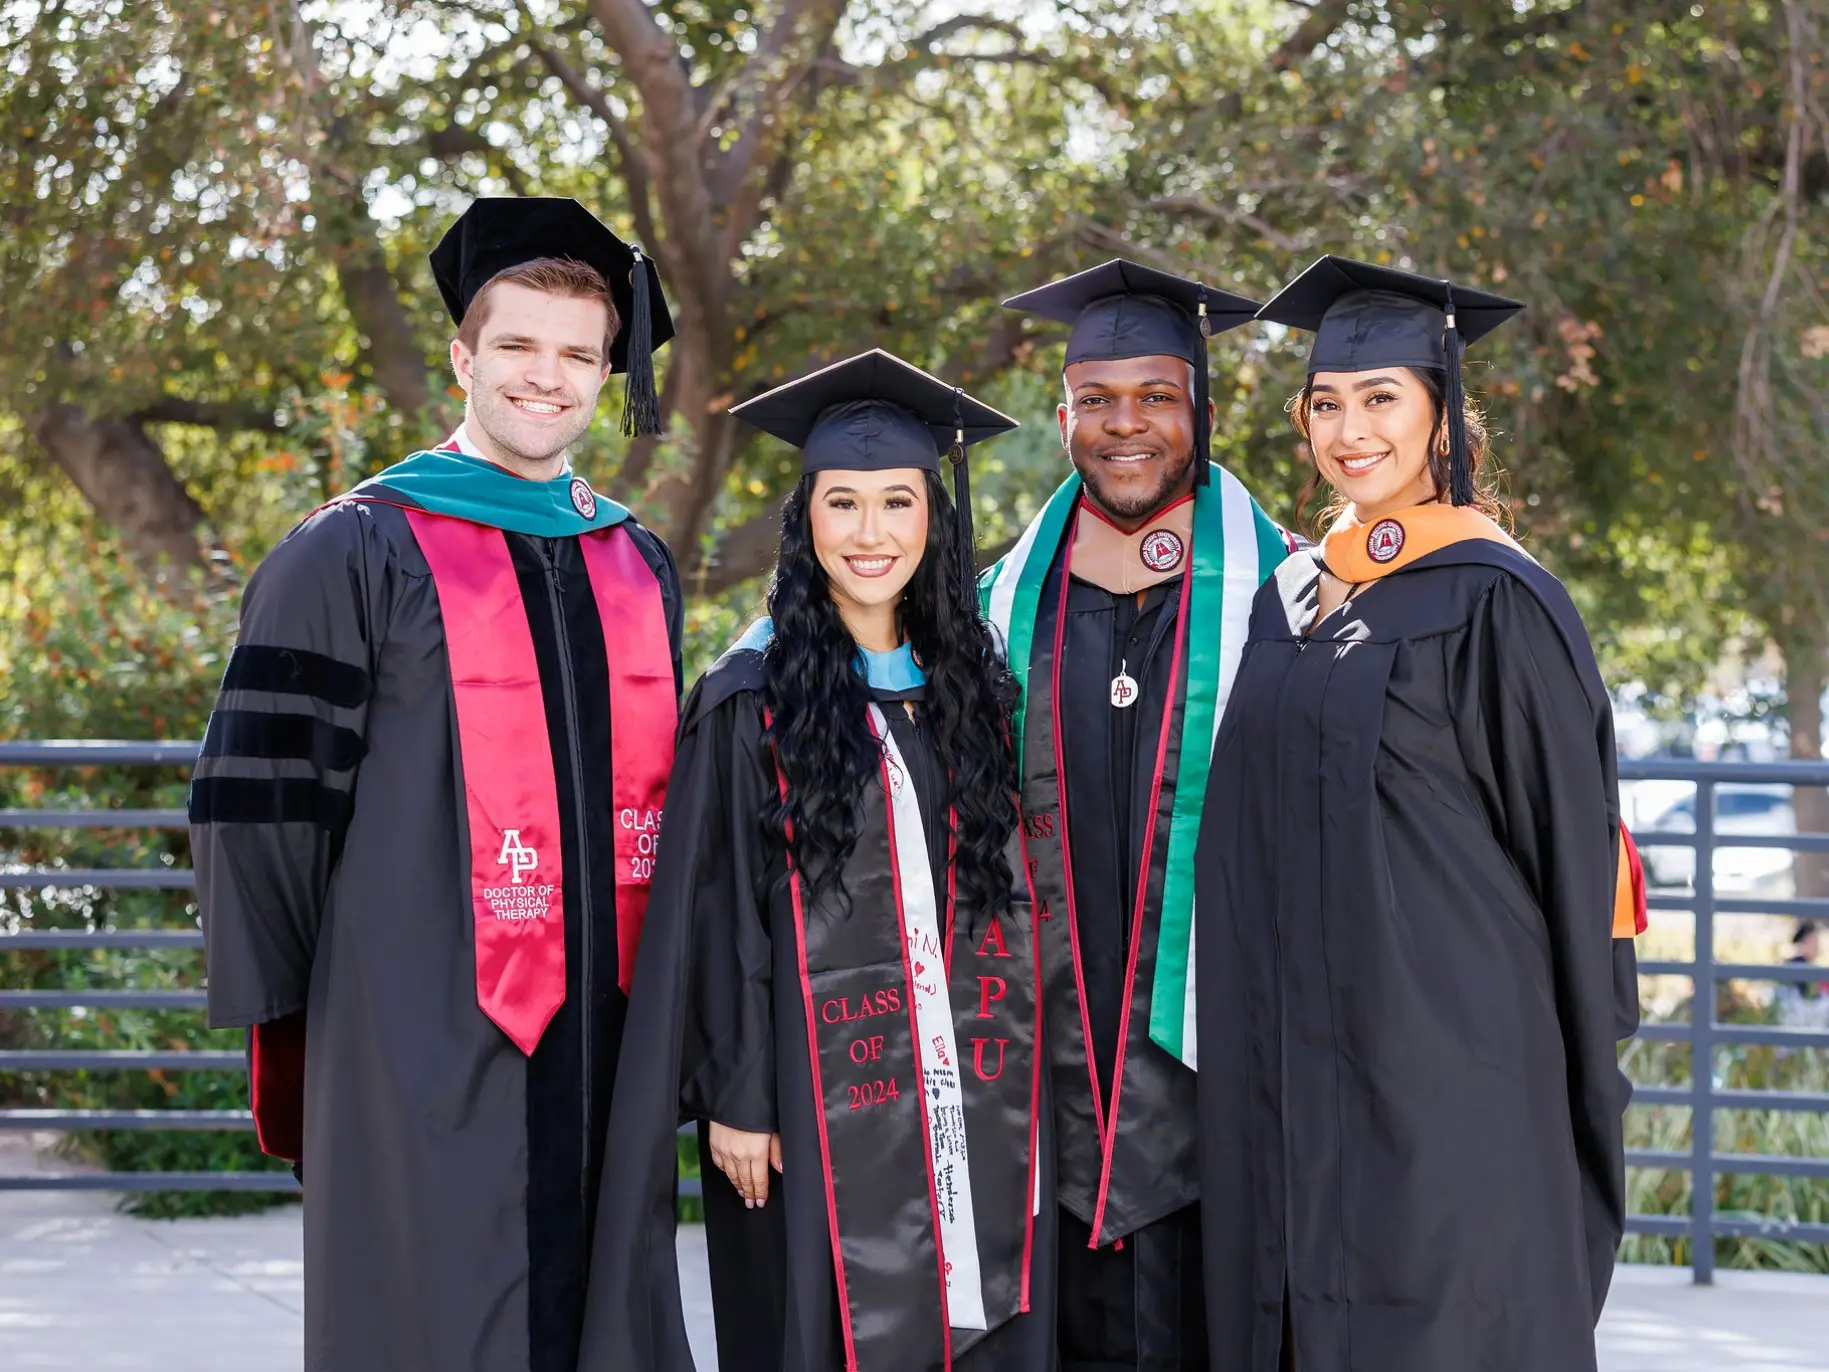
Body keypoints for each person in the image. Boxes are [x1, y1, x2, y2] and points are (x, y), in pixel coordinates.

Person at [189, 197, 684, 1372]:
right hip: (415, 1041)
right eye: (516, 344)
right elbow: (258, 817)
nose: (546, 376)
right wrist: (332, 1019)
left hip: (608, 1050)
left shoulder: (633, 558)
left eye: (578, 354)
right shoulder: (351, 549)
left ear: (605, 374)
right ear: (464, 357)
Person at [1193, 255, 1646, 1372]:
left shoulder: (1497, 596)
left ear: (1441, 413)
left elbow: (1569, 846)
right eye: (1325, 404)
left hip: (1448, 1071)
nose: (1350, 430)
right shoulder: (1289, 600)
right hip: (1293, 1067)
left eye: (1380, 398)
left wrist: (1575, 1060)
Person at [583, 349, 1053, 1372]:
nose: (870, 533)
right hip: (807, 1098)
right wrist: (739, 1096)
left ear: (934, 520)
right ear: (805, 522)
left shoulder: (969, 685)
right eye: (843, 503)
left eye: (896, 503)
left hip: (972, 1082)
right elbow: (715, 910)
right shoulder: (750, 695)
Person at [982, 260, 1293, 1371]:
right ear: (1062, 412)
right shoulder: (990, 611)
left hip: (1231, 1090)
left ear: (1200, 409)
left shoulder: (1294, 604)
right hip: (1039, 1093)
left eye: (1156, 396)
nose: (1126, 424)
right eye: (1097, 399)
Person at [1777, 919, 1829, 1027]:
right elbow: (1806, 997)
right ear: (1805, 942)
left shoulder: (1804, 964)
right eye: (1814, 942)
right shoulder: (1798, 965)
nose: (1817, 946)